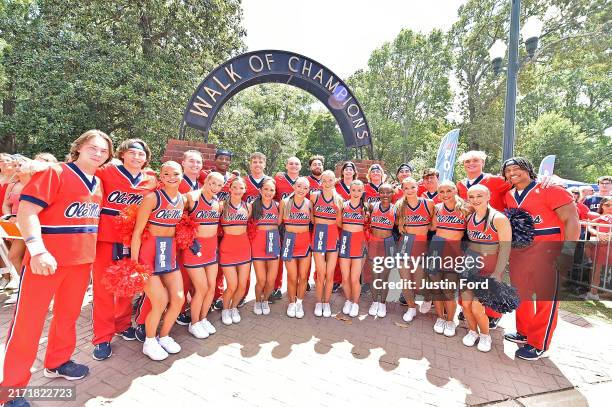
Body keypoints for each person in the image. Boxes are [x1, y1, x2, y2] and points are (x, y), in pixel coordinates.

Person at [0, 130, 113, 407]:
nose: (98, 153)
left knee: (67, 316)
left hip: (80, 263)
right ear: (79, 148)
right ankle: (10, 390)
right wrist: (36, 250)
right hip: (45, 262)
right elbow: (27, 211)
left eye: (103, 150)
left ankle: (58, 361)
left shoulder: (97, 182)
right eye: (92, 147)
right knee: (28, 325)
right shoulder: (56, 173)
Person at [502, 157, 579, 360]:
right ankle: (524, 332)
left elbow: (572, 219)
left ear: (529, 170)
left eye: (517, 168)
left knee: (547, 299)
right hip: (521, 253)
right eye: (508, 170)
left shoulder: (551, 189)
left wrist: (569, 251)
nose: (512, 173)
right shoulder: (510, 195)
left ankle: (539, 343)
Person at [91, 139, 157, 360]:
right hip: (106, 240)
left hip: (133, 240)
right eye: (132, 153)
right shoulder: (106, 172)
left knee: (128, 286)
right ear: (122, 154)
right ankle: (102, 337)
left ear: (146, 158)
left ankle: (122, 324)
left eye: (141, 154)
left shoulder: (151, 179)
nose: (136, 157)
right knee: (103, 290)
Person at [131, 161, 185, 361]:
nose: (172, 176)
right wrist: (134, 264)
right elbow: (137, 233)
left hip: (168, 252)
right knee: (160, 300)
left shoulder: (182, 199)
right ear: (160, 177)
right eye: (167, 173)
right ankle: (150, 341)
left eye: (176, 173)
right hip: (149, 253)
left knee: (178, 298)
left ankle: (164, 336)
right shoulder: (152, 198)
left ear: (181, 176)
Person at [462, 185, 511, 352]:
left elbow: (505, 248)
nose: (475, 199)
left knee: (477, 306)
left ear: (489, 196)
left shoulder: (499, 219)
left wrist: (497, 272)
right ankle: (472, 331)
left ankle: (485, 335)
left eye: (479, 195)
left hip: (489, 268)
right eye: (472, 196)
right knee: (465, 304)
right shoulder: (470, 217)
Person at [182, 172, 224, 337]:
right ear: (206, 181)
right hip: (194, 249)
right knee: (201, 288)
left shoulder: (218, 203)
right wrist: (188, 239)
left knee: (211, 287)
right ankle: (194, 323)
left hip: (211, 249)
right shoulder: (191, 198)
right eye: (213, 183)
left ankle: (203, 318)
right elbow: (179, 222)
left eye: (219, 185)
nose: (215, 187)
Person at [430, 181, 469, 337]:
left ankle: (450, 320)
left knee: (449, 289)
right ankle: (440, 318)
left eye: (449, 190)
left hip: (454, 250)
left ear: (455, 190)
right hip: (436, 247)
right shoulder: (437, 208)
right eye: (442, 191)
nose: (445, 194)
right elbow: (432, 228)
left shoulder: (465, 208)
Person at [395, 177, 434, 322]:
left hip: (421, 243)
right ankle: (411, 307)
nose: (410, 191)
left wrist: (423, 229)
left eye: (412, 187)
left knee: (418, 282)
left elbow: (434, 225)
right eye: (406, 188)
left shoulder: (428, 203)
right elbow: (398, 224)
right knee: (405, 279)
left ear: (418, 187)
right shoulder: (400, 206)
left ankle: (428, 296)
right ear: (402, 190)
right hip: (405, 242)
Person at [175, 150, 204, 326]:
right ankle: (178, 310)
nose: (195, 165)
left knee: (192, 276)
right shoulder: (176, 182)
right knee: (180, 276)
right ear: (183, 163)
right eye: (191, 161)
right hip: (178, 236)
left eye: (198, 162)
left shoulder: (202, 183)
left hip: (197, 238)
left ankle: (191, 307)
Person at [218, 177, 252, 325]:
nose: (238, 190)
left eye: (241, 188)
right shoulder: (221, 205)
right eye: (235, 187)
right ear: (230, 189)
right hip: (227, 248)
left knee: (242, 285)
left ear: (245, 190)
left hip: (244, 248)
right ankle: (225, 309)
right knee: (232, 285)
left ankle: (233, 307)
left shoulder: (248, 206)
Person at [311, 170, 343, 318]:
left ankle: (327, 302)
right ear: (321, 181)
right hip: (319, 235)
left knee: (330, 274)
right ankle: (319, 301)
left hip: (332, 235)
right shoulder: (314, 196)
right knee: (321, 272)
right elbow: (311, 218)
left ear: (334, 181)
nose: (327, 183)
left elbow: (340, 222)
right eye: (325, 180)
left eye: (330, 180)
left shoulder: (339, 199)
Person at [270, 156, 302, 301]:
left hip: (299, 225)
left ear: (300, 167)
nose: (293, 166)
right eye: (291, 163)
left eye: (296, 164)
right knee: (280, 256)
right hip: (282, 222)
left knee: (297, 256)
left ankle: (300, 284)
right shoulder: (278, 179)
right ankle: (277, 286)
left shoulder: (303, 182)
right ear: (286, 165)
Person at [280, 177, 312, 318]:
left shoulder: (310, 204)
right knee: (292, 277)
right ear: (294, 186)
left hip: (305, 242)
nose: (301, 190)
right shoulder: (285, 202)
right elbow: (278, 222)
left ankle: (299, 302)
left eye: (305, 188)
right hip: (289, 241)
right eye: (299, 186)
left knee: (303, 276)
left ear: (308, 190)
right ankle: (291, 302)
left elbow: (316, 222)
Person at [251, 177, 281, 315]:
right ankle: (257, 301)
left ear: (275, 192)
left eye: (271, 190)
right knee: (261, 279)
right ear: (260, 190)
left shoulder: (278, 205)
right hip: (258, 244)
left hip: (273, 242)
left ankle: (265, 300)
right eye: (266, 189)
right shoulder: (253, 205)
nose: (268, 192)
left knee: (271, 280)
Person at [339, 180, 367, 317]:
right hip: (345, 240)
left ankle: (355, 303)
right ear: (349, 190)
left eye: (359, 190)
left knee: (355, 278)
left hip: (358, 242)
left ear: (363, 191)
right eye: (353, 190)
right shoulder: (343, 205)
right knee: (345, 277)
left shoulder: (366, 208)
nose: (356, 193)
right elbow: (339, 223)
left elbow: (369, 226)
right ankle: (348, 300)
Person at [367, 183, 396, 318]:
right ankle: (374, 302)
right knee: (374, 275)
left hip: (388, 243)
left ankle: (382, 303)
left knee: (384, 276)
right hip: (374, 242)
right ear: (378, 193)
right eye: (382, 192)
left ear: (392, 194)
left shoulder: (396, 209)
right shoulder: (372, 206)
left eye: (388, 192)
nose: (385, 195)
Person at [585, 196, 611, 301]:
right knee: (596, 270)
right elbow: (590, 225)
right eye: (607, 205)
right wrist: (597, 233)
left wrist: (609, 235)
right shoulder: (599, 217)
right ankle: (593, 293)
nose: (610, 207)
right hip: (600, 246)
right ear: (602, 206)